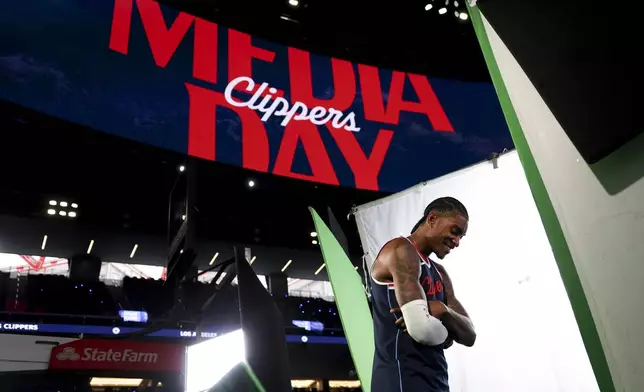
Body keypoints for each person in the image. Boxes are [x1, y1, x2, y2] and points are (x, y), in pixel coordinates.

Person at [370, 197, 476, 392]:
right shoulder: (399, 249)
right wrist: (448, 332)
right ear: (432, 219)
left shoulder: (440, 273)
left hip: (437, 380)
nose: (457, 242)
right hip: (401, 378)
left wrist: (442, 311)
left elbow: (469, 335)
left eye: (462, 236)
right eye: (455, 231)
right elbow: (422, 330)